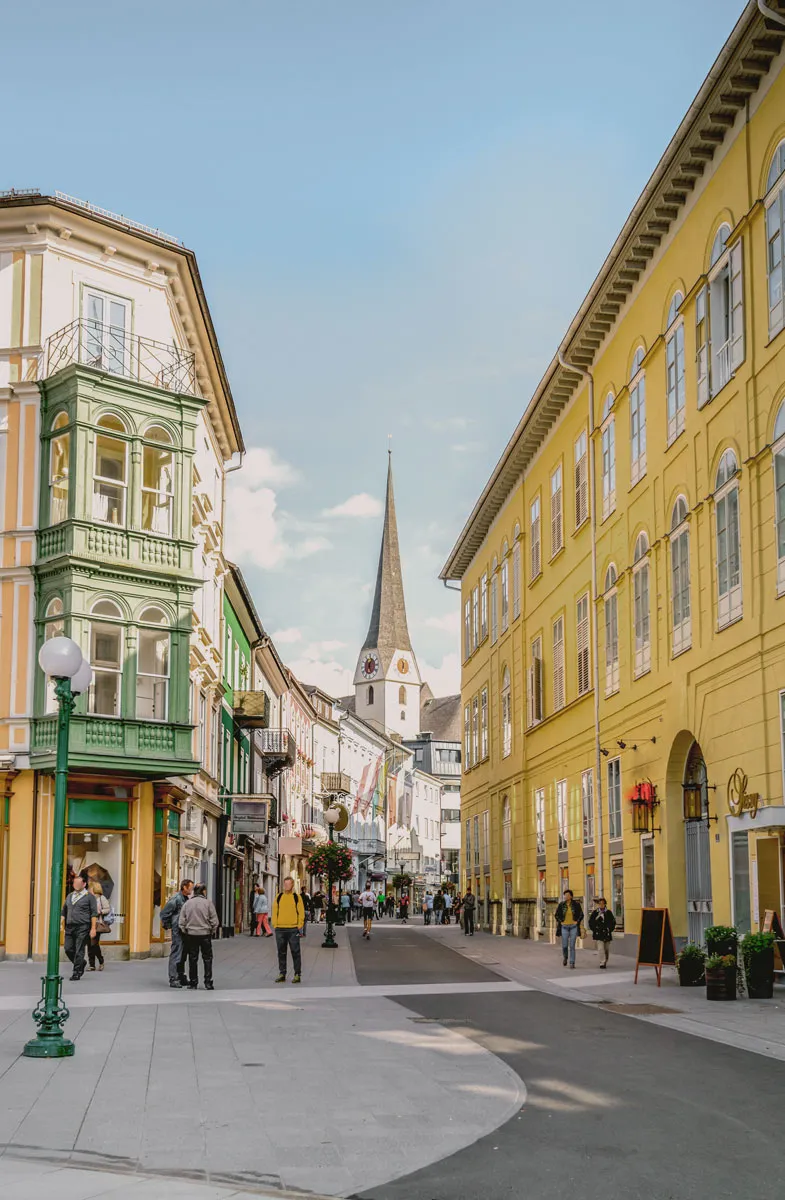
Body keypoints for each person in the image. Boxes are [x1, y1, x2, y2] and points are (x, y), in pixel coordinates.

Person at [179, 883, 219, 990]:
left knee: (193, 959)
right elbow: (214, 921)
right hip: (205, 934)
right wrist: (212, 930)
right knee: (207, 958)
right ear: (204, 891)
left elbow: (181, 921)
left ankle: (193, 982)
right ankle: (208, 982)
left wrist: (185, 930)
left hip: (191, 935)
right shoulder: (208, 903)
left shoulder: (187, 904)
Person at [61, 871, 98, 981]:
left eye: (78, 883)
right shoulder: (70, 896)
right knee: (68, 948)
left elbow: (94, 913)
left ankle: (76, 972)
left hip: (83, 926)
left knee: (79, 950)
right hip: (70, 926)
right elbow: (64, 910)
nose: (75, 885)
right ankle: (81, 963)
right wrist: (61, 922)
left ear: (84, 884)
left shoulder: (89, 897)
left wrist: (93, 928)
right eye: (74, 883)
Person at [160, 879, 194, 989]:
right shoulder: (176, 899)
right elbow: (164, 913)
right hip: (178, 930)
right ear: (184, 887)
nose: (191, 890)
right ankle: (173, 978)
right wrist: (169, 925)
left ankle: (181, 976)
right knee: (176, 953)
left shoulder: (185, 898)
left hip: (183, 930)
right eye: (190, 887)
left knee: (182, 954)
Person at [273, 877, 305, 983]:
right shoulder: (279, 896)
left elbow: (301, 911)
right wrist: (275, 924)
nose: (286, 886)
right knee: (281, 952)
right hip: (280, 929)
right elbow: (274, 911)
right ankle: (282, 973)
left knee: (295, 952)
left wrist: (300, 924)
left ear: (292, 885)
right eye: (285, 884)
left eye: (288, 884)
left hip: (293, 929)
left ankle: (297, 974)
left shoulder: (297, 897)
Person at [555, 888, 584, 969]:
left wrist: (577, 922)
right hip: (564, 927)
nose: (565, 896)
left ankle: (572, 962)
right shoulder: (561, 905)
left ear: (571, 896)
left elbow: (581, 915)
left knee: (572, 945)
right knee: (564, 945)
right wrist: (561, 922)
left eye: (567, 895)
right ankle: (565, 957)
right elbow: (556, 915)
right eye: (565, 895)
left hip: (573, 927)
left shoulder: (576, 904)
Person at [87, 880, 111, 971]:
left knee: (94, 944)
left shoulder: (101, 898)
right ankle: (92, 965)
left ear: (95, 888)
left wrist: (100, 911)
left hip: (97, 923)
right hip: (88, 923)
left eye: (90, 888)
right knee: (90, 944)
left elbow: (107, 909)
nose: (88, 889)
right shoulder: (88, 898)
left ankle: (101, 960)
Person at [588, 896, 616, 968]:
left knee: (606, 949)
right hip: (599, 933)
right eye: (600, 904)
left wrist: (609, 929)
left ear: (605, 904)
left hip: (606, 933)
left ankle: (605, 960)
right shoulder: (595, 912)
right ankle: (602, 962)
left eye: (603, 904)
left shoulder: (608, 912)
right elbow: (591, 922)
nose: (601, 905)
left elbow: (613, 922)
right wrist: (595, 929)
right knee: (601, 948)